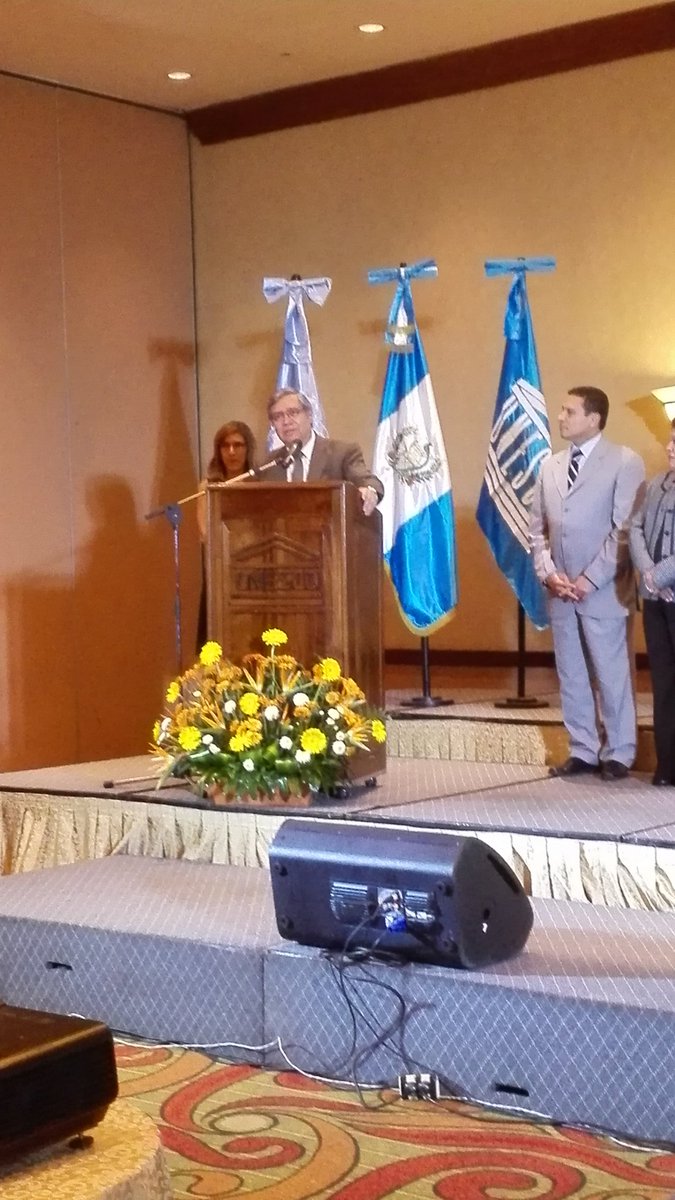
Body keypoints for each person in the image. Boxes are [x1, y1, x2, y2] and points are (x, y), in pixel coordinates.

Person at [529, 386, 645, 781]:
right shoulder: (549, 466)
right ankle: (583, 748)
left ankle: (619, 752)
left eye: (569, 411)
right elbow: (536, 530)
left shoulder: (624, 461)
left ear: (594, 419)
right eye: (562, 411)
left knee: (612, 675)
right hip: (561, 591)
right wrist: (549, 573)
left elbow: (624, 530)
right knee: (572, 674)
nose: (561, 417)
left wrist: (589, 579)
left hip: (604, 590)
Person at [629, 418, 675, 786]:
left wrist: (658, 576)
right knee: (663, 683)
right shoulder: (658, 484)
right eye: (669, 441)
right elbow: (636, 529)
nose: (669, 448)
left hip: (665, 588)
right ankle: (667, 764)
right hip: (657, 600)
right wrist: (648, 574)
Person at [263, 388, 383, 515]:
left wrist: (370, 491)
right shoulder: (268, 465)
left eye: (293, 412)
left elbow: (368, 481)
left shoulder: (341, 453)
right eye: (278, 417)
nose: (286, 422)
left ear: (309, 415)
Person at [196, 421, 256, 648]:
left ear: (248, 448)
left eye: (238, 445)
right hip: (220, 570)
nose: (231, 452)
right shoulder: (208, 487)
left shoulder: (260, 484)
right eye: (225, 446)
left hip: (253, 572)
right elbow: (204, 532)